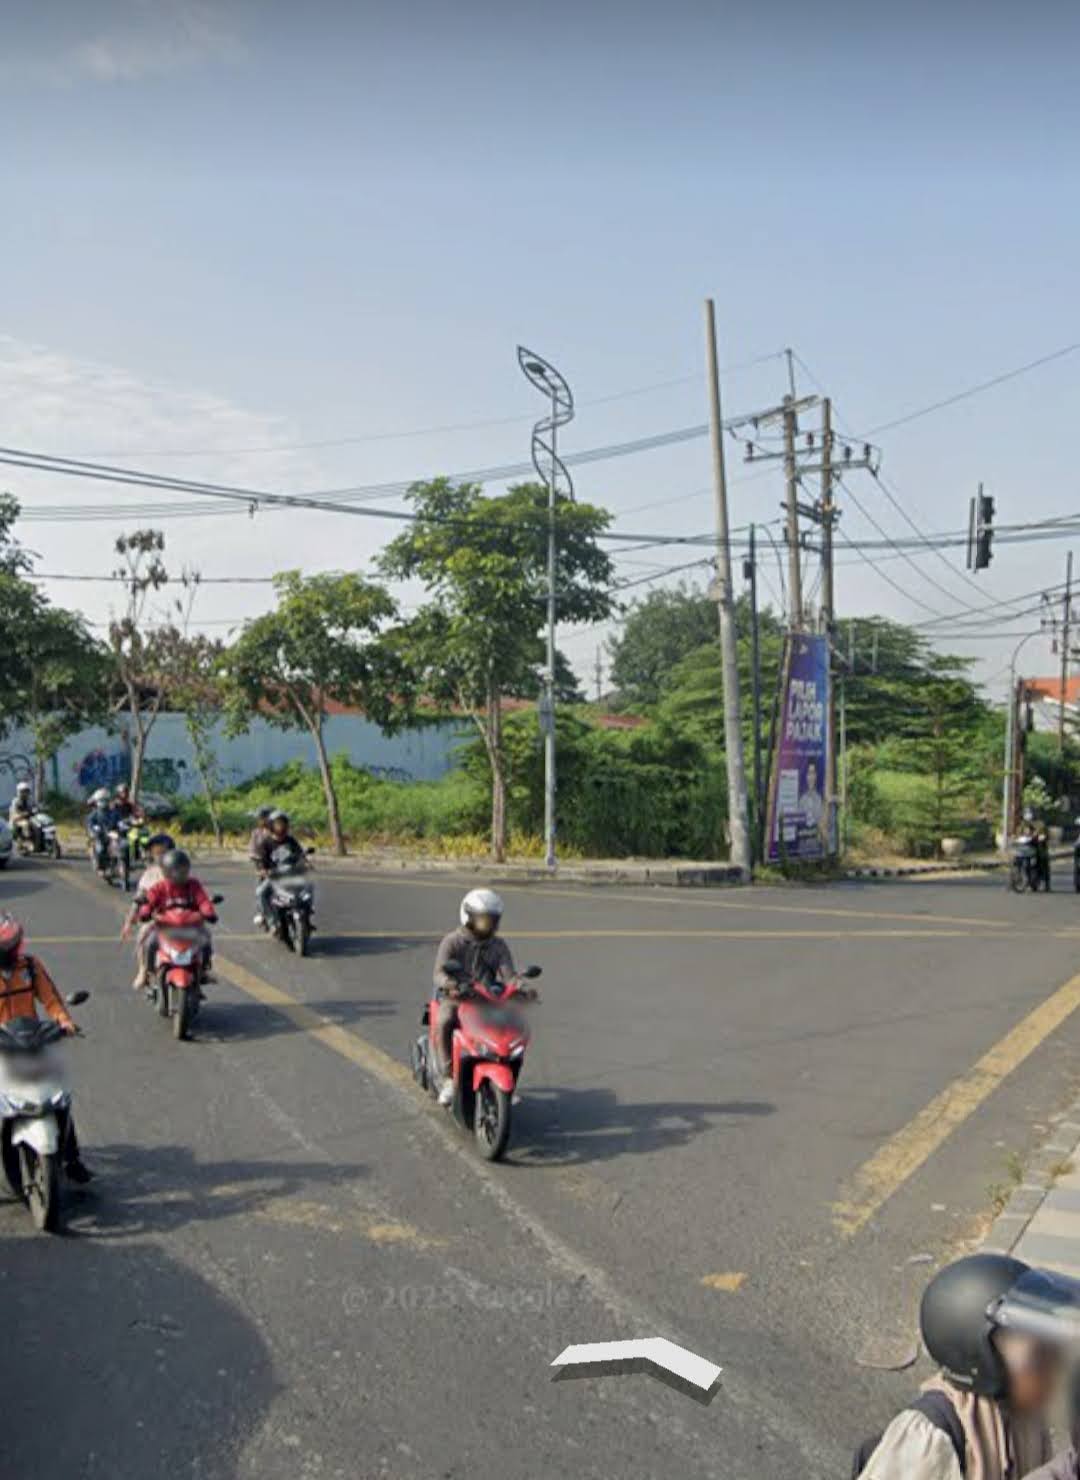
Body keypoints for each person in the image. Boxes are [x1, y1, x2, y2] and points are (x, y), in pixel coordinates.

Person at [855, 1252, 1070, 1478]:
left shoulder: (1022, 1411)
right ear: (976, 1350)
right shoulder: (930, 1437)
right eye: (1022, 1337)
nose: (1040, 1349)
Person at [0, 914, 92, 1183]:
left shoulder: (30, 966)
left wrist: (64, 1022)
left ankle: (71, 1158)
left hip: (31, 1040)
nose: (11, 952)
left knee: (57, 1096)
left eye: (12, 945)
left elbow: (51, 999)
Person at [431, 889, 516, 1107]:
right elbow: (439, 973)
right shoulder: (452, 941)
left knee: (514, 1028)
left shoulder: (498, 946)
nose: (488, 925)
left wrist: (522, 988)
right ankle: (449, 1077)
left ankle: (508, 1079)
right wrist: (452, 984)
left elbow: (509, 976)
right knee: (445, 1020)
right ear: (468, 917)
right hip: (457, 997)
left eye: (492, 920)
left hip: (487, 998)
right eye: (482, 920)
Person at [137, 848, 218, 985]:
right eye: (178, 871)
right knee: (150, 942)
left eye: (184, 870)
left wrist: (209, 912)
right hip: (165, 927)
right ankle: (148, 971)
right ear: (167, 872)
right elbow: (149, 900)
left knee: (206, 938)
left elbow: (203, 900)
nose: (182, 874)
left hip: (190, 927)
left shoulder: (193, 885)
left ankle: (203, 969)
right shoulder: (160, 887)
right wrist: (145, 911)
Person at [121, 832, 175, 989]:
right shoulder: (149, 875)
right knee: (144, 937)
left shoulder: (181, 873)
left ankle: (202, 969)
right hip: (157, 919)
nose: (160, 856)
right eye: (156, 852)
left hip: (181, 919)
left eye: (164, 852)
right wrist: (130, 920)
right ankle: (143, 970)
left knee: (203, 937)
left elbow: (195, 893)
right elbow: (139, 897)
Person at [253, 810, 308, 929]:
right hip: (274, 875)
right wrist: (263, 869)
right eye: (278, 823)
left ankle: (306, 914)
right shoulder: (266, 843)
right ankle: (272, 922)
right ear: (271, 825)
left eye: (283, 823)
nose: (280, 826)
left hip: (291, 873)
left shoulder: (290, 840)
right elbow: (260, 860)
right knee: (261, 892)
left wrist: (305, 862)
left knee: (308, 888)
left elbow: (300, 854)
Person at [85, 787, 115, 875]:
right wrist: (94, 829)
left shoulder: (112, 812)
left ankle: (125, 863)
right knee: (101, 849)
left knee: (121, 845)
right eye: (102, 800)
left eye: (106, 800)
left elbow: (117, 819)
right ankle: (101, 867)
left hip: (110, 834)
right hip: (99, 835)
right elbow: (90, 823)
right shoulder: (95, 813)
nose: (104, 803)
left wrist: (121, 825)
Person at [8, 780, 35, 845]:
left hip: (28, 818)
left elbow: (34, 807)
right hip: (17, 821)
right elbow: (14, 814)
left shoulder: (29, 800)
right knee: (26, 824)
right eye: (23, 791)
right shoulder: (15, 801)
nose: (25, 793)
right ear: (19, 792)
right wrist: (24, 814)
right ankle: (27, 840)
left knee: (37, 823)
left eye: (26, 791)